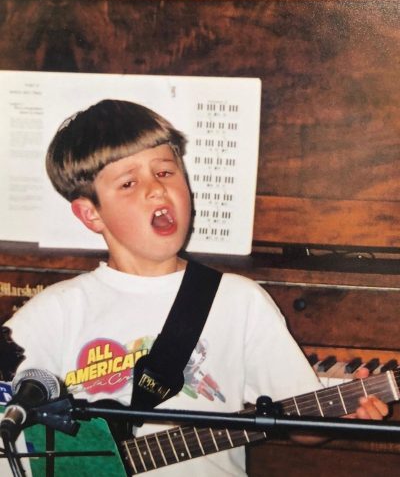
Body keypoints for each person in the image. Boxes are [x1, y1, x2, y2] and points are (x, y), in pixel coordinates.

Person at [3, 99, 388, 476]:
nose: (155, 190)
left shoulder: (239, 301)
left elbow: (301, 425)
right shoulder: (53, 314)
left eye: (166, 173)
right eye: (128, 182)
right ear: (91, 213)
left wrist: (341, 410)